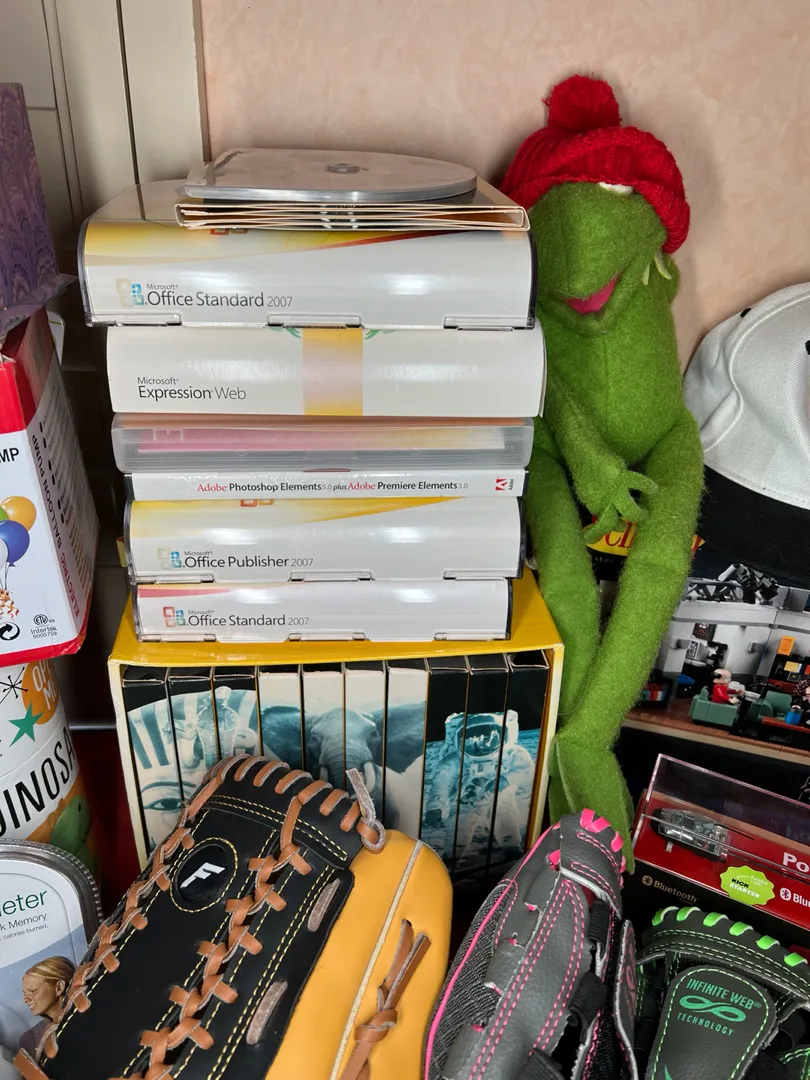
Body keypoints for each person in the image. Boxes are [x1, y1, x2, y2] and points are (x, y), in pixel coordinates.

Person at [17, 957, 75, 1058]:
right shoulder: (30, 1041)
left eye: (33, 991)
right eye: (24, 993)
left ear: (59, 987)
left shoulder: (88, 1013)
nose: (26, 999)